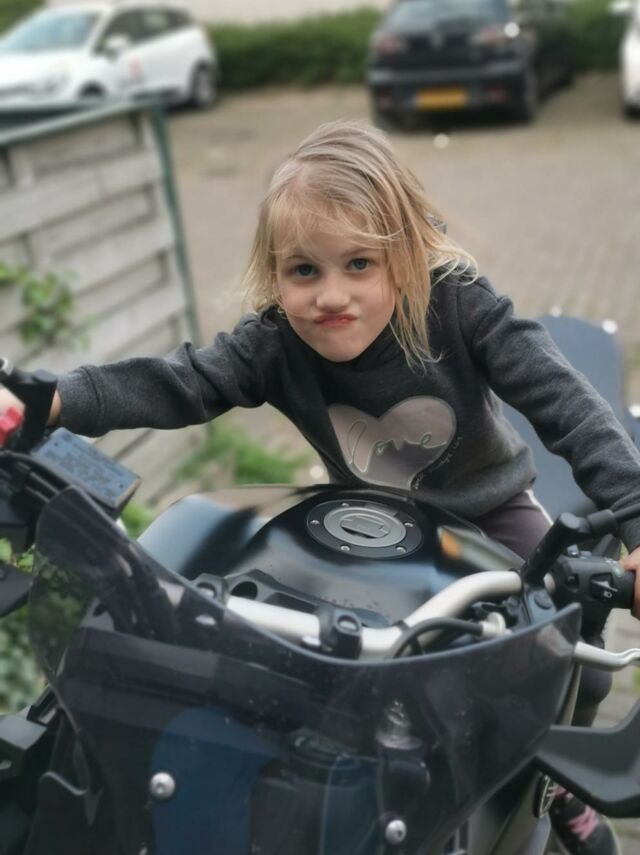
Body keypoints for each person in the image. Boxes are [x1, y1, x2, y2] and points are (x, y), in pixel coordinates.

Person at [1, 119, 638, 853]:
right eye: (304, 270)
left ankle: (553, 783)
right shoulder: (274, 343)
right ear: (275, 275)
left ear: (405, 255)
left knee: (564, 651)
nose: (331, 296)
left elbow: (567, 405)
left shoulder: (460, 306)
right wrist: (42, 401)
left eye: (359, 263)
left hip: (492, 515)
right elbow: (176, 382)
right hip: (370, 521)